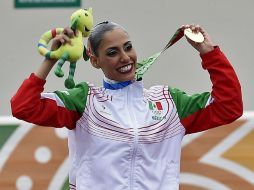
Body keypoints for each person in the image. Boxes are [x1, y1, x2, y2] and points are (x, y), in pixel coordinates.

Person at [11, 22, 243, 190]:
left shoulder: (169, 102)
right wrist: (50, 59)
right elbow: (23, 106)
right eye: (112, 52)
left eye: (128, 47)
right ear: (95, 61)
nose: (125, 57)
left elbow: (229, 106)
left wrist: (209, 53)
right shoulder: (85, 101)